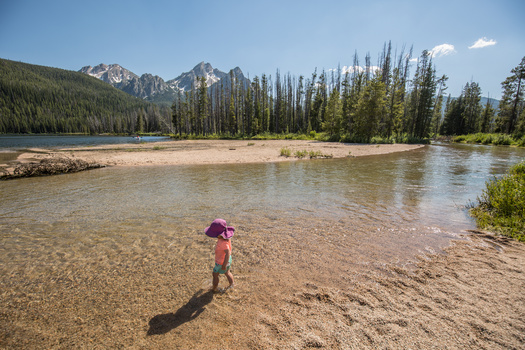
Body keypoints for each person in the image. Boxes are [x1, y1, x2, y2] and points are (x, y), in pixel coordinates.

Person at [205, 218, 235, 293]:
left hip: (221, 262)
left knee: (215, 275)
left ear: (218, 235)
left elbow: (227, 252)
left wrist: (224, 264)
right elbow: (228, 253)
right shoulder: (227, 238)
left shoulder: (222, 243)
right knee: (227, 272)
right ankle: (232, 284)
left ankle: (214, 288)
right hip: (228, 260)